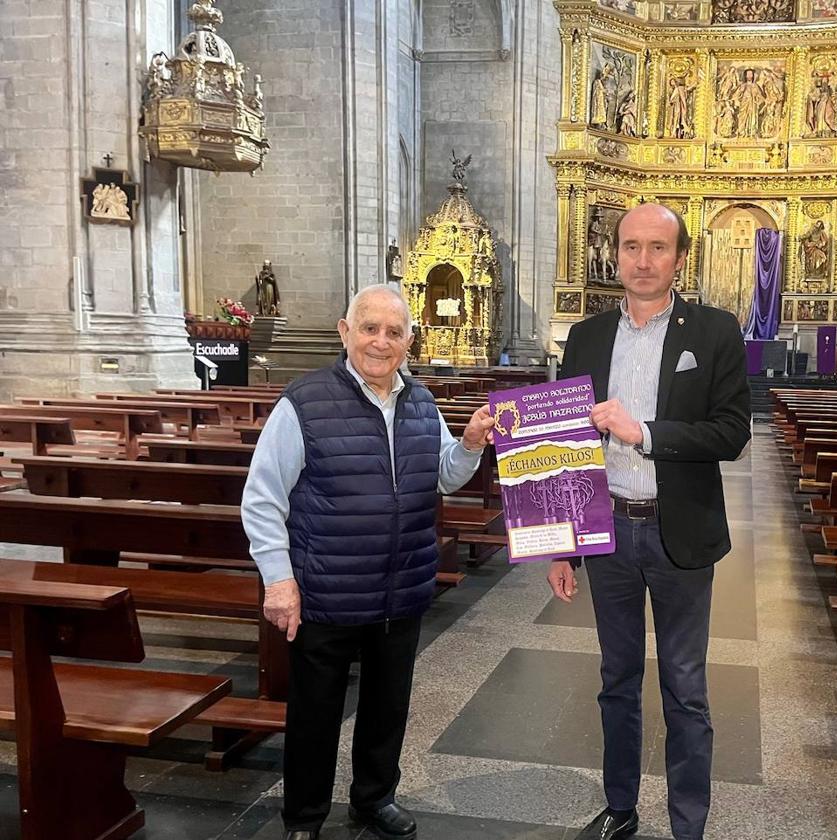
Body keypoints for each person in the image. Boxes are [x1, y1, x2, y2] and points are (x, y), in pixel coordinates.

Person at [241, 284, 495, 840]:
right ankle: (304, 817)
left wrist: (471, 443)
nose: (381, 342)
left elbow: (444, 476)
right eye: (369, 328)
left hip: (399, 587)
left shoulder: (422, 402)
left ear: (410, 340)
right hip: (327, 588)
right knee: (315, 714)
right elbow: (262, 498)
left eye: (394, 332)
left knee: (387, 708)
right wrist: (279, 581)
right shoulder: (303, 402)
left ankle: (373, 798)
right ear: (345, 332)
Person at [549, 203, 751, 840]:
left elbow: (732, 431)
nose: (642, 260)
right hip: (607, 530)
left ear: (679, 257)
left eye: (657, 248)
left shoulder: (715, 332)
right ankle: (621, 806)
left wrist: (647, 434)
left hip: (678, 532)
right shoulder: (584, 337)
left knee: (686, 688)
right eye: (631, 246)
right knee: (616, 679)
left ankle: (688, 824)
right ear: (616, 253)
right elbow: (562, 445)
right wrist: (562, 545)